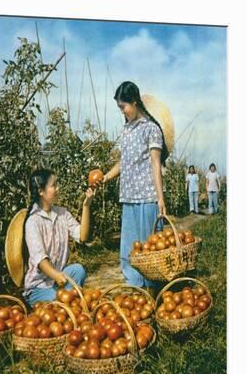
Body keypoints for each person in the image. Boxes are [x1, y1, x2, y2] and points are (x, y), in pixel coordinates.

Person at [102, 81, 169, 290]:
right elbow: (123, 162)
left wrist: (160, 198)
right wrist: (104, 178)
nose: (122, 111)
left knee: (150, 246)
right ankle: (135, 286)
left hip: (147, 195)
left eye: (123, 107)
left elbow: (156, 164)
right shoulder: (126, 130)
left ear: (134, 102)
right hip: (129, 196)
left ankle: (153, 286)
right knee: (130, 249)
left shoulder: (151, 129)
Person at [23, 168, 95, 307]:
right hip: (39, 286)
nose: (58, 188)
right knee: (63, 302)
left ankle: (66, 299)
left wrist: (86, 206)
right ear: (41, 191)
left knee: (78, 270)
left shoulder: (62, 214)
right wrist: (56, 275)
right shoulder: (33, 222)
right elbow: (40, 260)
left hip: (58, 281)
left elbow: (83, 236)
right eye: (54, 185)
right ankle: (63, 301)